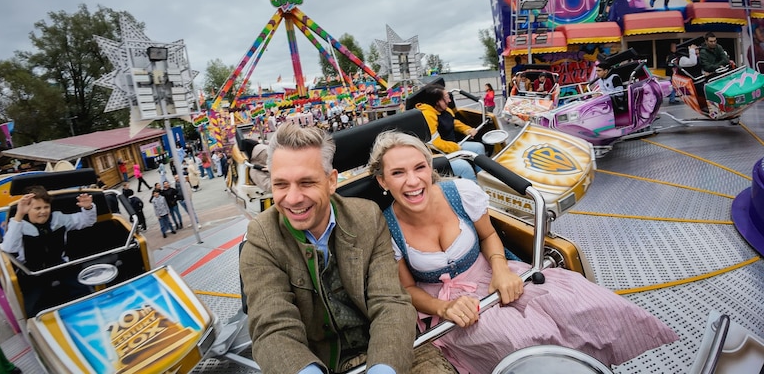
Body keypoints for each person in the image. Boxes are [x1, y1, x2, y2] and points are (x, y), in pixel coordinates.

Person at [367, 131, 679, 373]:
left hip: (491, 272)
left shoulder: (460, 193)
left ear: (429, 166)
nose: (412, 181)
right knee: (522, 339)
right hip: (450, 305)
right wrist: (442, 308)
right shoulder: (386, 226)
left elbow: (489, 235)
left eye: (420, 167)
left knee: (578, 304)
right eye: (398, 173)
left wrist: (501, 270)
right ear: (382, 180)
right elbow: (406, 289)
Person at [239, 123, 455, 374]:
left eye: (307, 183)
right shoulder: (261, 237)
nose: (293, 198)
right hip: (318, 362)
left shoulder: (367, 217)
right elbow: (272, 326)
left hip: (390, 348)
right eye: (281, 185)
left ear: (331, 182)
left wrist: (383, 367)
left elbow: (391, 302)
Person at [0, 186, 97, 317]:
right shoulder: (19, 225)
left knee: (86, 297)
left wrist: (88, 208)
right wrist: (19, 215)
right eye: (37, 208)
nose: (43, 212)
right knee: (36, 312)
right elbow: (9, 248)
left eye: (46, 207)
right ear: (28, 209)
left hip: (61, 267)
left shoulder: (58, 219)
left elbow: (86, 221)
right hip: (33, 275)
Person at [415, 85, 485, 182]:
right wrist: (455, 148)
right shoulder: (428, 115)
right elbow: (434, 142)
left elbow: (453, 122)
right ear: (437, 102)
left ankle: (484, 179)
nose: (449, 101)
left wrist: (467, 130)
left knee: (478, 147)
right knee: (464, 167)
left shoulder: (445, 109)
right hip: (438, 154)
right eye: (446, 98)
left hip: (453, 145)